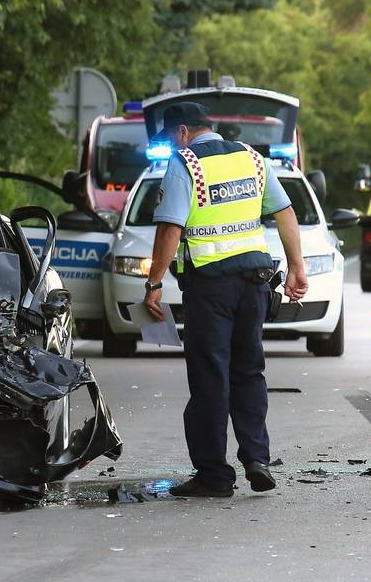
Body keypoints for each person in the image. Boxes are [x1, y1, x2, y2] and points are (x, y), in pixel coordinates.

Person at [143, 102, 308, 498]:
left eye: (169, 136)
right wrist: (298, 267)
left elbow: (170, 229)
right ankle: (257, 458)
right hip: (255, 283)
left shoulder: (186, 163)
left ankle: (214, 474)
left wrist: (153, 283)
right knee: (249, 370)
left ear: (182, 132)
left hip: (211, 288)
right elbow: (285, 213)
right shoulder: (252, 158)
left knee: (210, 377)